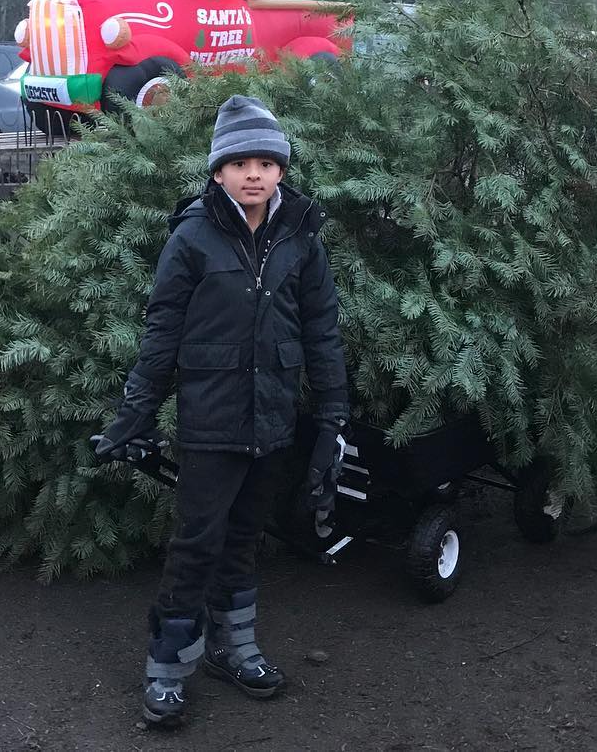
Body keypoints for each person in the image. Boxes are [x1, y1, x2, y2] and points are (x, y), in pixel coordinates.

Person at [92, 94, 349, 727]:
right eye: (240, 163)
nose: (254, 174)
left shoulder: (301, 236)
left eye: (266, 161)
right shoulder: (193, 237)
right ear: (218, 172)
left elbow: (322, 330)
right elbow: (161, 333)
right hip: (210, 421)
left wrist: (334, 416)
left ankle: (235, 647)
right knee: (197, 543)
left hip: (273, 417)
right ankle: (168, 667)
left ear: (282, 170)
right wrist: (135, 414)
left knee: (245, 538)